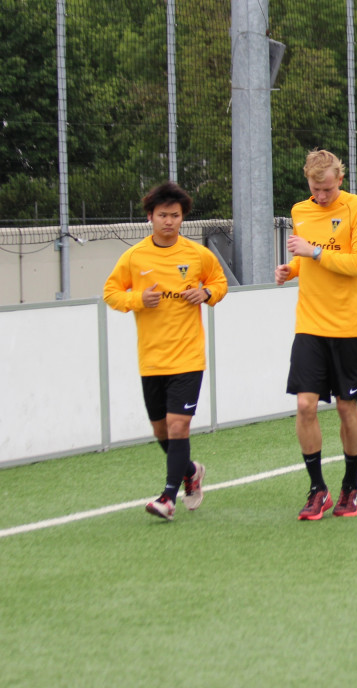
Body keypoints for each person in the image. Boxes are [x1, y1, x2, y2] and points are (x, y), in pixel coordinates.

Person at [103, 182, 228, 521]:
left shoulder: (197, 254)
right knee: (161, 432)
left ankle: (168, 498)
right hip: (152, 359)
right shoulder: (134, 257)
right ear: (150, 217)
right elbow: (111, 292)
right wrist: (138, 299)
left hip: (188, 356)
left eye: (175, 215)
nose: (169, 221)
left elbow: (219, 283)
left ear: (182, 218)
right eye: (162, 215)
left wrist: (206, 294)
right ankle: (191, 471)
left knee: (177, 427)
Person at [275, 149, 357, 520]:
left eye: (328, 190)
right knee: (305, 405)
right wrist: (292, 269)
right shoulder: (299, 211)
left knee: (346, 407)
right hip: (310, 325)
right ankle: (318, 488)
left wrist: (314, 252)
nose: (320, 196)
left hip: (351, 326)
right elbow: (306, 258)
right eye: (315, 189)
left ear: (340, 180)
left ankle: (351, 485)